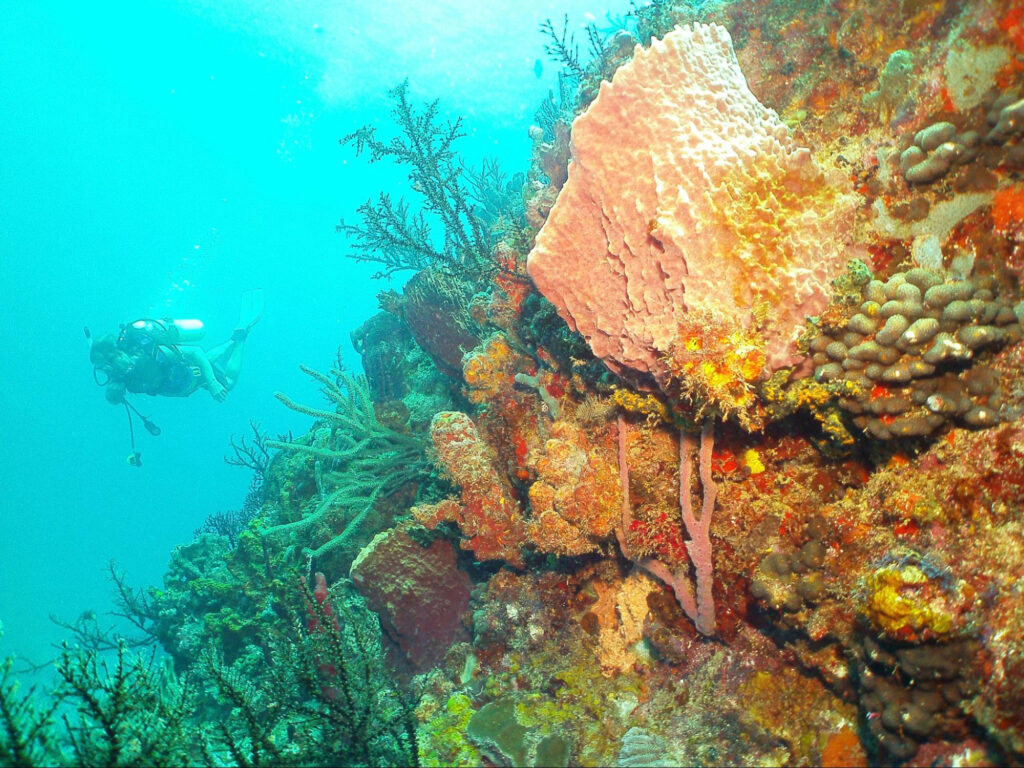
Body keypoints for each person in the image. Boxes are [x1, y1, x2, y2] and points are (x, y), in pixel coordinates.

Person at [89, 289, 263, 405]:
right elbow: (115, 392)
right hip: (183, 380)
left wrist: (213, 383)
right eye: (106, 366)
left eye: (110, 361)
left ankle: (240, 338)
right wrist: (113, 396)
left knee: (228, 384)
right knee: (204, 363)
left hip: (188, 378)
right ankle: (235, 338)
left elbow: (195, 351)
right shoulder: (120, 376)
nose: (111, 368)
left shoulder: (147, 354)